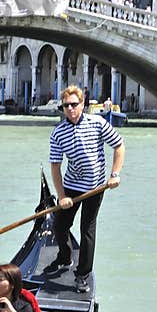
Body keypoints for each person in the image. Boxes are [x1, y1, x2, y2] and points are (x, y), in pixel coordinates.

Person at [46, 85, 125, 293]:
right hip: (71, 185)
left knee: (87, 230)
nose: (70, 109)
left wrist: (115, 174)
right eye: (66, 105)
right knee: (60, 226)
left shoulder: (98, 123)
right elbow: (55, 165)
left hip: (95, 187)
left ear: (82, 105)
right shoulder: (58, 132)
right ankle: (64, 257)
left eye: (74, 104)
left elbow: (119, 145)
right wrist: (62, 195)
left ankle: (82, 274)